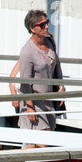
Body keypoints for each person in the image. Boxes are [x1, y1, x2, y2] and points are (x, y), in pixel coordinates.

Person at [18, 10, 65, 148]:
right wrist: (30, 107)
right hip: (34, 101)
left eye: (47, 22)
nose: (46, 26)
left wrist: (61, 87)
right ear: (32, 29)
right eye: (42, 24)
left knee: (35, 145)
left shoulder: (50, 42)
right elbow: (25, 83)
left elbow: (57, 67)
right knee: (42, 143)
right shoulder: (27, 51)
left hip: (48, 101)